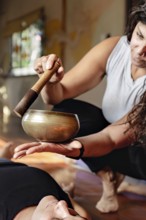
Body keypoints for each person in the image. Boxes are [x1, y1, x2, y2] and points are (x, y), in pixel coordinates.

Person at [13, 1, 146, 213]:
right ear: (134, 28)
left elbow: (112, 138)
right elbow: (58, 96)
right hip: (111, 137)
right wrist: (50, 81)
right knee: (66, 111)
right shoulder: (114, 47)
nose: (141, 50)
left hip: (139, 152)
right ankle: (107, 176)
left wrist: (74, 147)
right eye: (140, 35)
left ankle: (118, 175)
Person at [0, 142, 90, 220]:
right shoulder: (58, 203)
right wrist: (67, 195)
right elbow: (84, 214)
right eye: (74, 215)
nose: (62, 204)